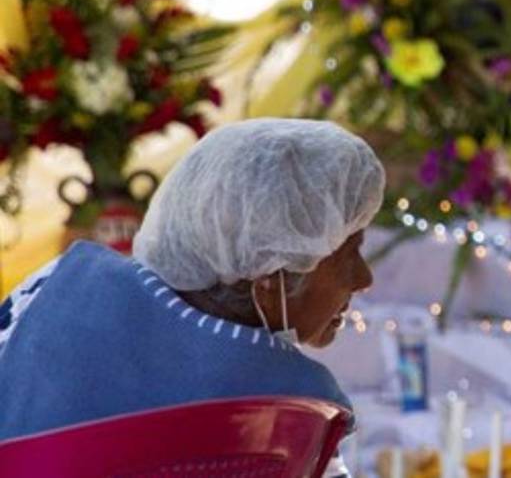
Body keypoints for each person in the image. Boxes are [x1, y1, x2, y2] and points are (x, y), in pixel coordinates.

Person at [0, 119, 384, 475]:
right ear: (271, 277)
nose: (364, 279)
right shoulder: (279, 417)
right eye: (349, 254)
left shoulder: (60, 287)